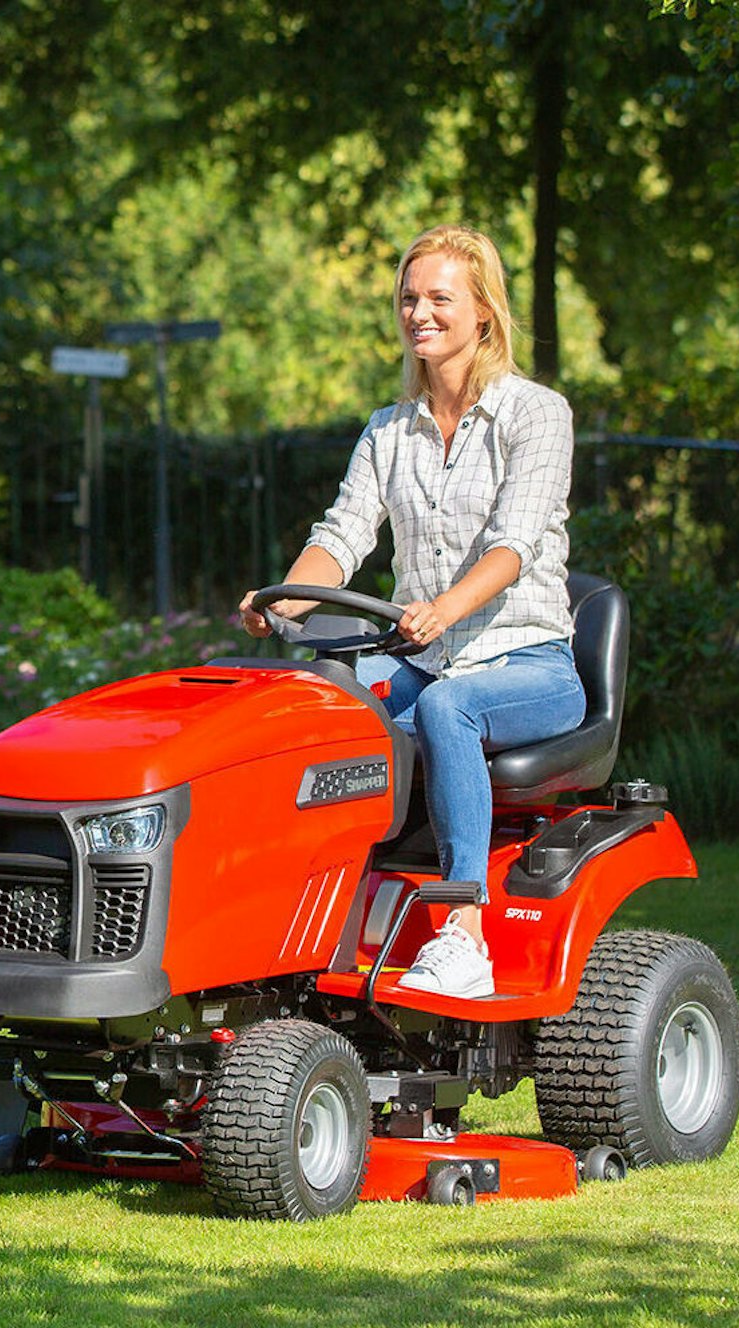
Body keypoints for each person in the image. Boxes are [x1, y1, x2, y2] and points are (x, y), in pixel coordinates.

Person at [239, 224, 586, 1000]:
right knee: (316, 708)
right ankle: (289, 915)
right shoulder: (389, 430)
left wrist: (443, 609)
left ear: (484, 311)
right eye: (408, 298)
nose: (418, 313)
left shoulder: (536, 414)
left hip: (527, 662)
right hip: (426, 659)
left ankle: (464, 930)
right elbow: (341, 535)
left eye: (439, 298)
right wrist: (281, 598)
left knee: (447, 707)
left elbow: (513, 545)